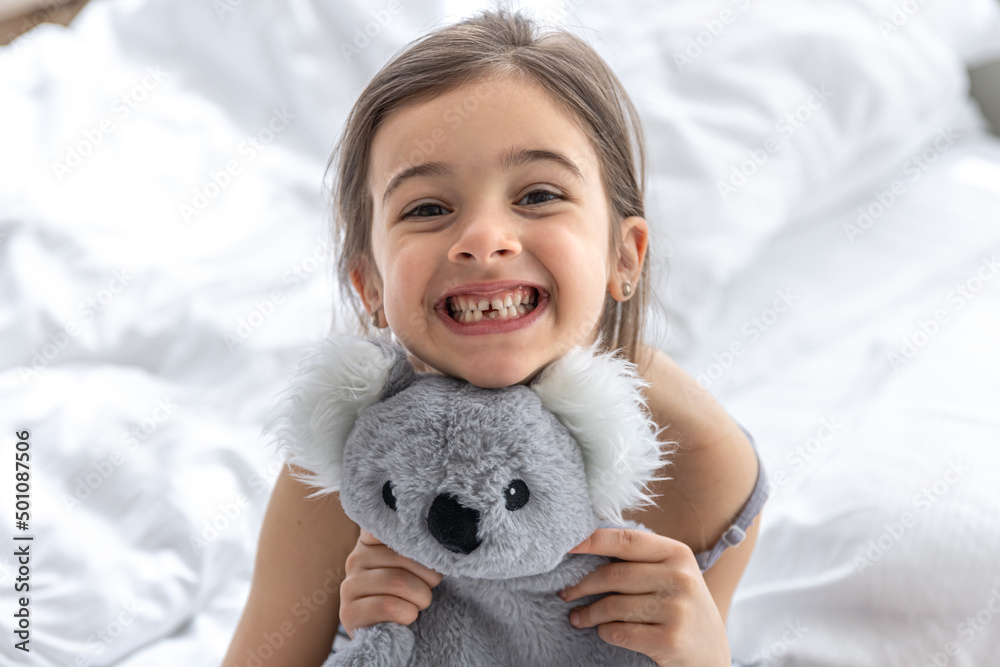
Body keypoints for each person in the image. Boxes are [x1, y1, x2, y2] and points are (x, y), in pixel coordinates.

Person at [224, 6, 769, 666]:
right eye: (427, 208)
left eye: (539, 195)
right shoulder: (356, 458)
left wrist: (705, 658)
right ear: (369, 284)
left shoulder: (698, 457)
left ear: (625, 257)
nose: (484, 240)